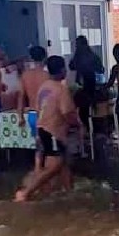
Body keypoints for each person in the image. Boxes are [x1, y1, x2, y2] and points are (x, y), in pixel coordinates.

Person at [15, 56, 81, 202]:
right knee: (53, 167)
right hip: (53, 132)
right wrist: (79, 125)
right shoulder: (61, 89)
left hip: (42, 128)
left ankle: (69, 191)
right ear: (62, 70)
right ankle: (26, 192)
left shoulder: (44, 87)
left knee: (63, 163)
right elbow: (68, 113)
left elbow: (39, 108)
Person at [69, 35, 103, 129]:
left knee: (83, 111)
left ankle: (87, 129)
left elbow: (71, 66)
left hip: (86, 86)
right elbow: (101, 69)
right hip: (87, 86)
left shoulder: (82, 57)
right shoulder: (90, 56)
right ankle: (89, 129)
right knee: (85, 111)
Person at [18, 46, 49, 112]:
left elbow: (21, 96)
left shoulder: (25, 75)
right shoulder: (47, 76)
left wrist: (20, 115)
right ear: (44, 58)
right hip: (45, 113)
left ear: (31, 58)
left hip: (32, 113)